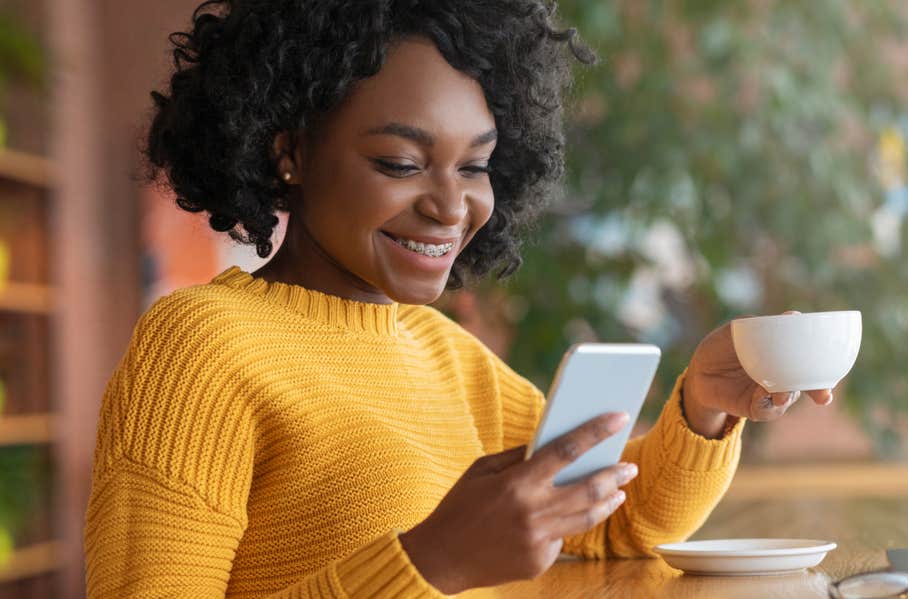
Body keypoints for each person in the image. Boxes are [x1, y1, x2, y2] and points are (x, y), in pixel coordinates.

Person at [83, 1, 833, 597]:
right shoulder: (200, 346)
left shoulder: (445, 355)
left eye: (474, 166)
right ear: (290, 151)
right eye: (402, 162)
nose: (451, 206)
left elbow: (614, 525)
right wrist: (430, 562)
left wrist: (705, 404)